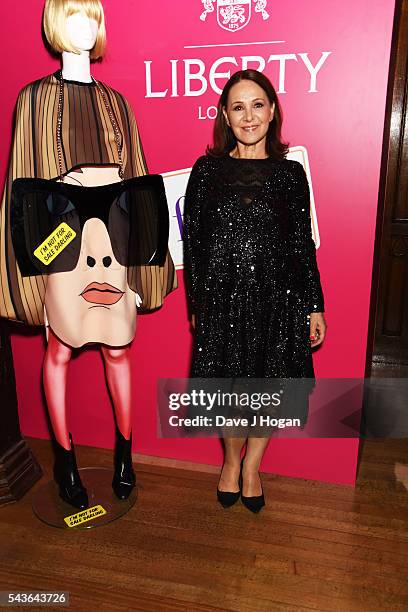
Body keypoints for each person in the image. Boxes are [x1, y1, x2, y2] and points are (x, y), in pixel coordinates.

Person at [0, 0, 177, 509]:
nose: (85, 26)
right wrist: (31, 269)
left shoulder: (118, 102)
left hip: (114, 240)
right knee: (58, 349)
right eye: (74, 14)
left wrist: (146, 267)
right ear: (55, 24)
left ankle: (125, 453)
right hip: (62, 238)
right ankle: (66, 461)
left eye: (93, 16)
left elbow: (138, 184)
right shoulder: (31, 99)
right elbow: (21, 188)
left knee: (118, 348)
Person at [183, 69, 326, 513]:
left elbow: (301, 244)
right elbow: (195, 243)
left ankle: (252, 467)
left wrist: (313, 305)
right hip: (223, 297)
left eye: (258, 105)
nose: (249, 116)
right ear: (225, 115)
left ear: (273, 111)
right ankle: (230, 462)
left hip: (277, 300)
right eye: (238, 107)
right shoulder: (206, 171)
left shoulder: (290, 173)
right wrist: (197, 302)